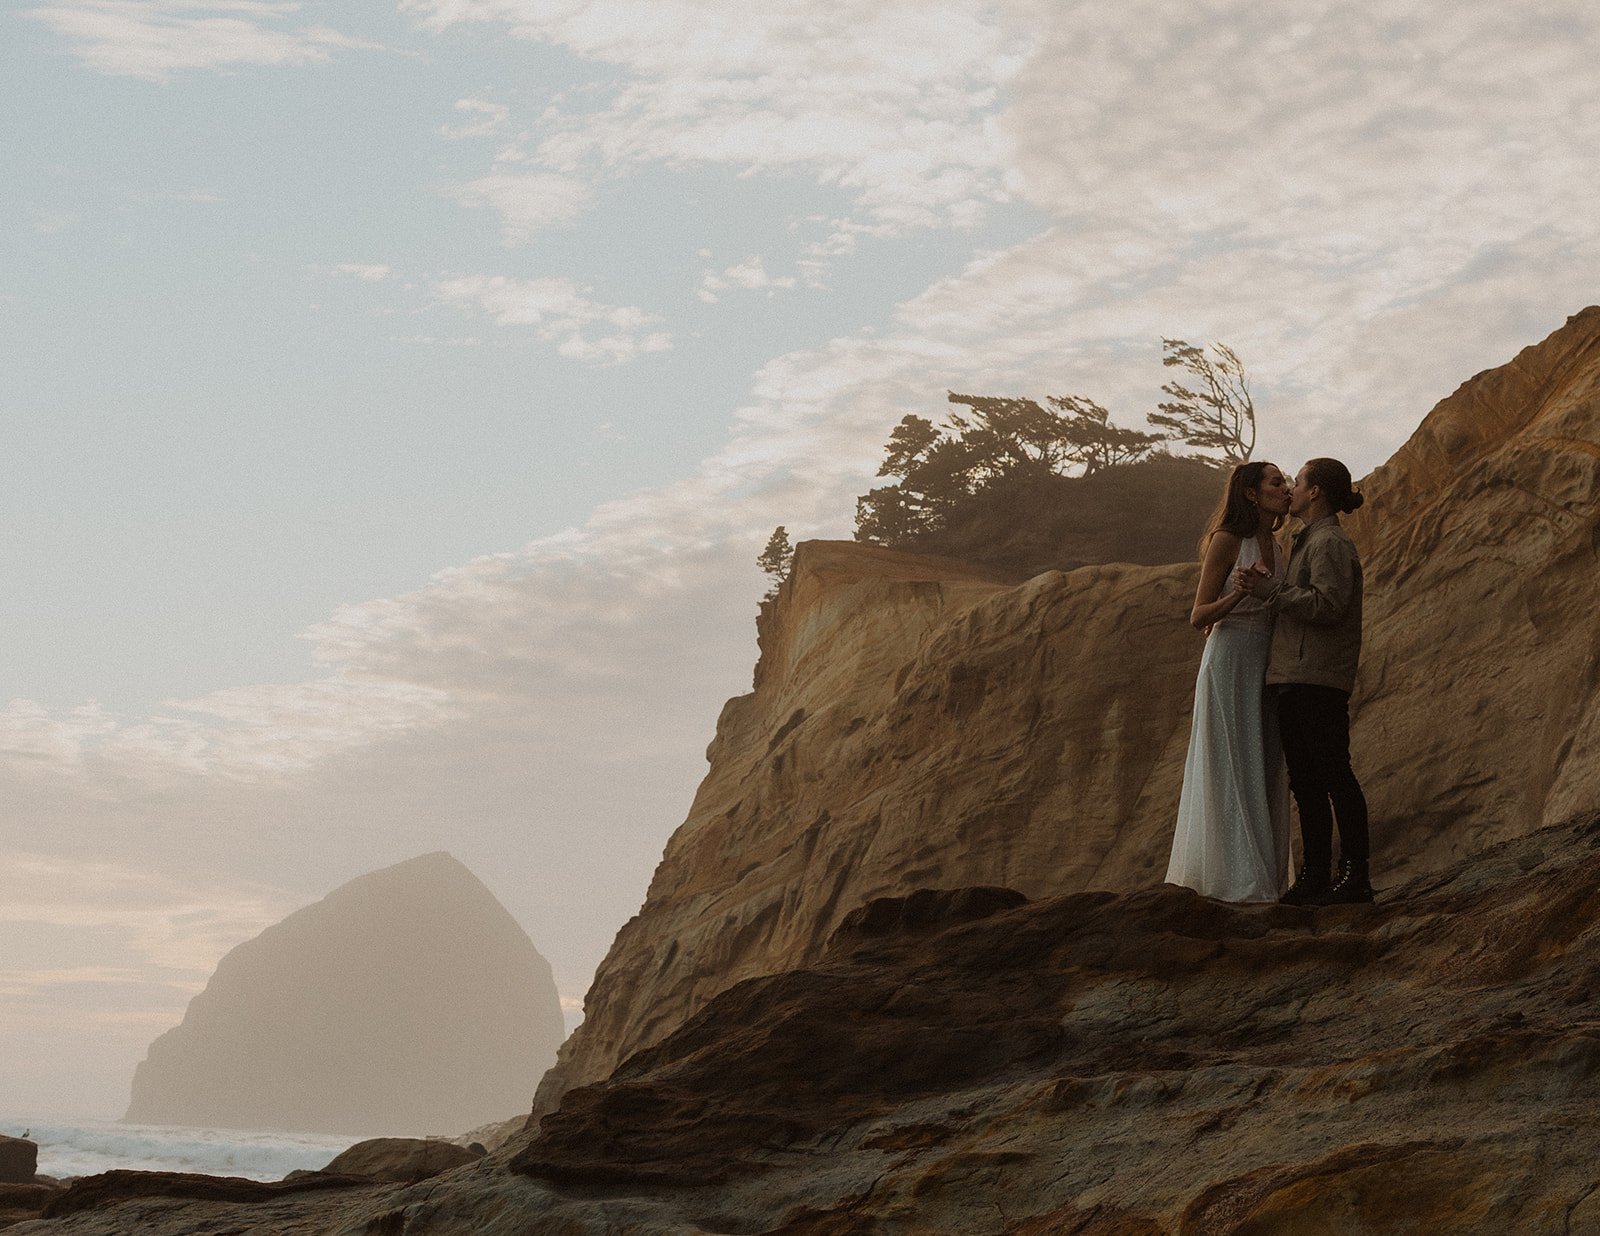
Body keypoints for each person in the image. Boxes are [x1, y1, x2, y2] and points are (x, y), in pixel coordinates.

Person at [1236, 457, 1371, 905]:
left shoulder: (1330, 541)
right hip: (1298, 676)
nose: (1291, 487)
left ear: (1316, 492)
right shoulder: (1307, 540)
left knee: (1334, 774)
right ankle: (1316, 876)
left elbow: (1329, 606)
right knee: (1307, 782)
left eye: (1299, 480)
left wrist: (1270, 592)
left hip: (1318, 678)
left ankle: (1354, 877)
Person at [1164, 461, 1293, 903]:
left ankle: (1267, 877)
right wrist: (1239, 593)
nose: (1286, 488)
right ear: (1252, 494)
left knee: (1264, 763)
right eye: (1276, 482)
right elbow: (1198, 615)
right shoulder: (1227, 540)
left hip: (1266, 663)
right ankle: (1233, 881)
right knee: (1231, 763)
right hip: (1229, 657)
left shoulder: (1277, 545)